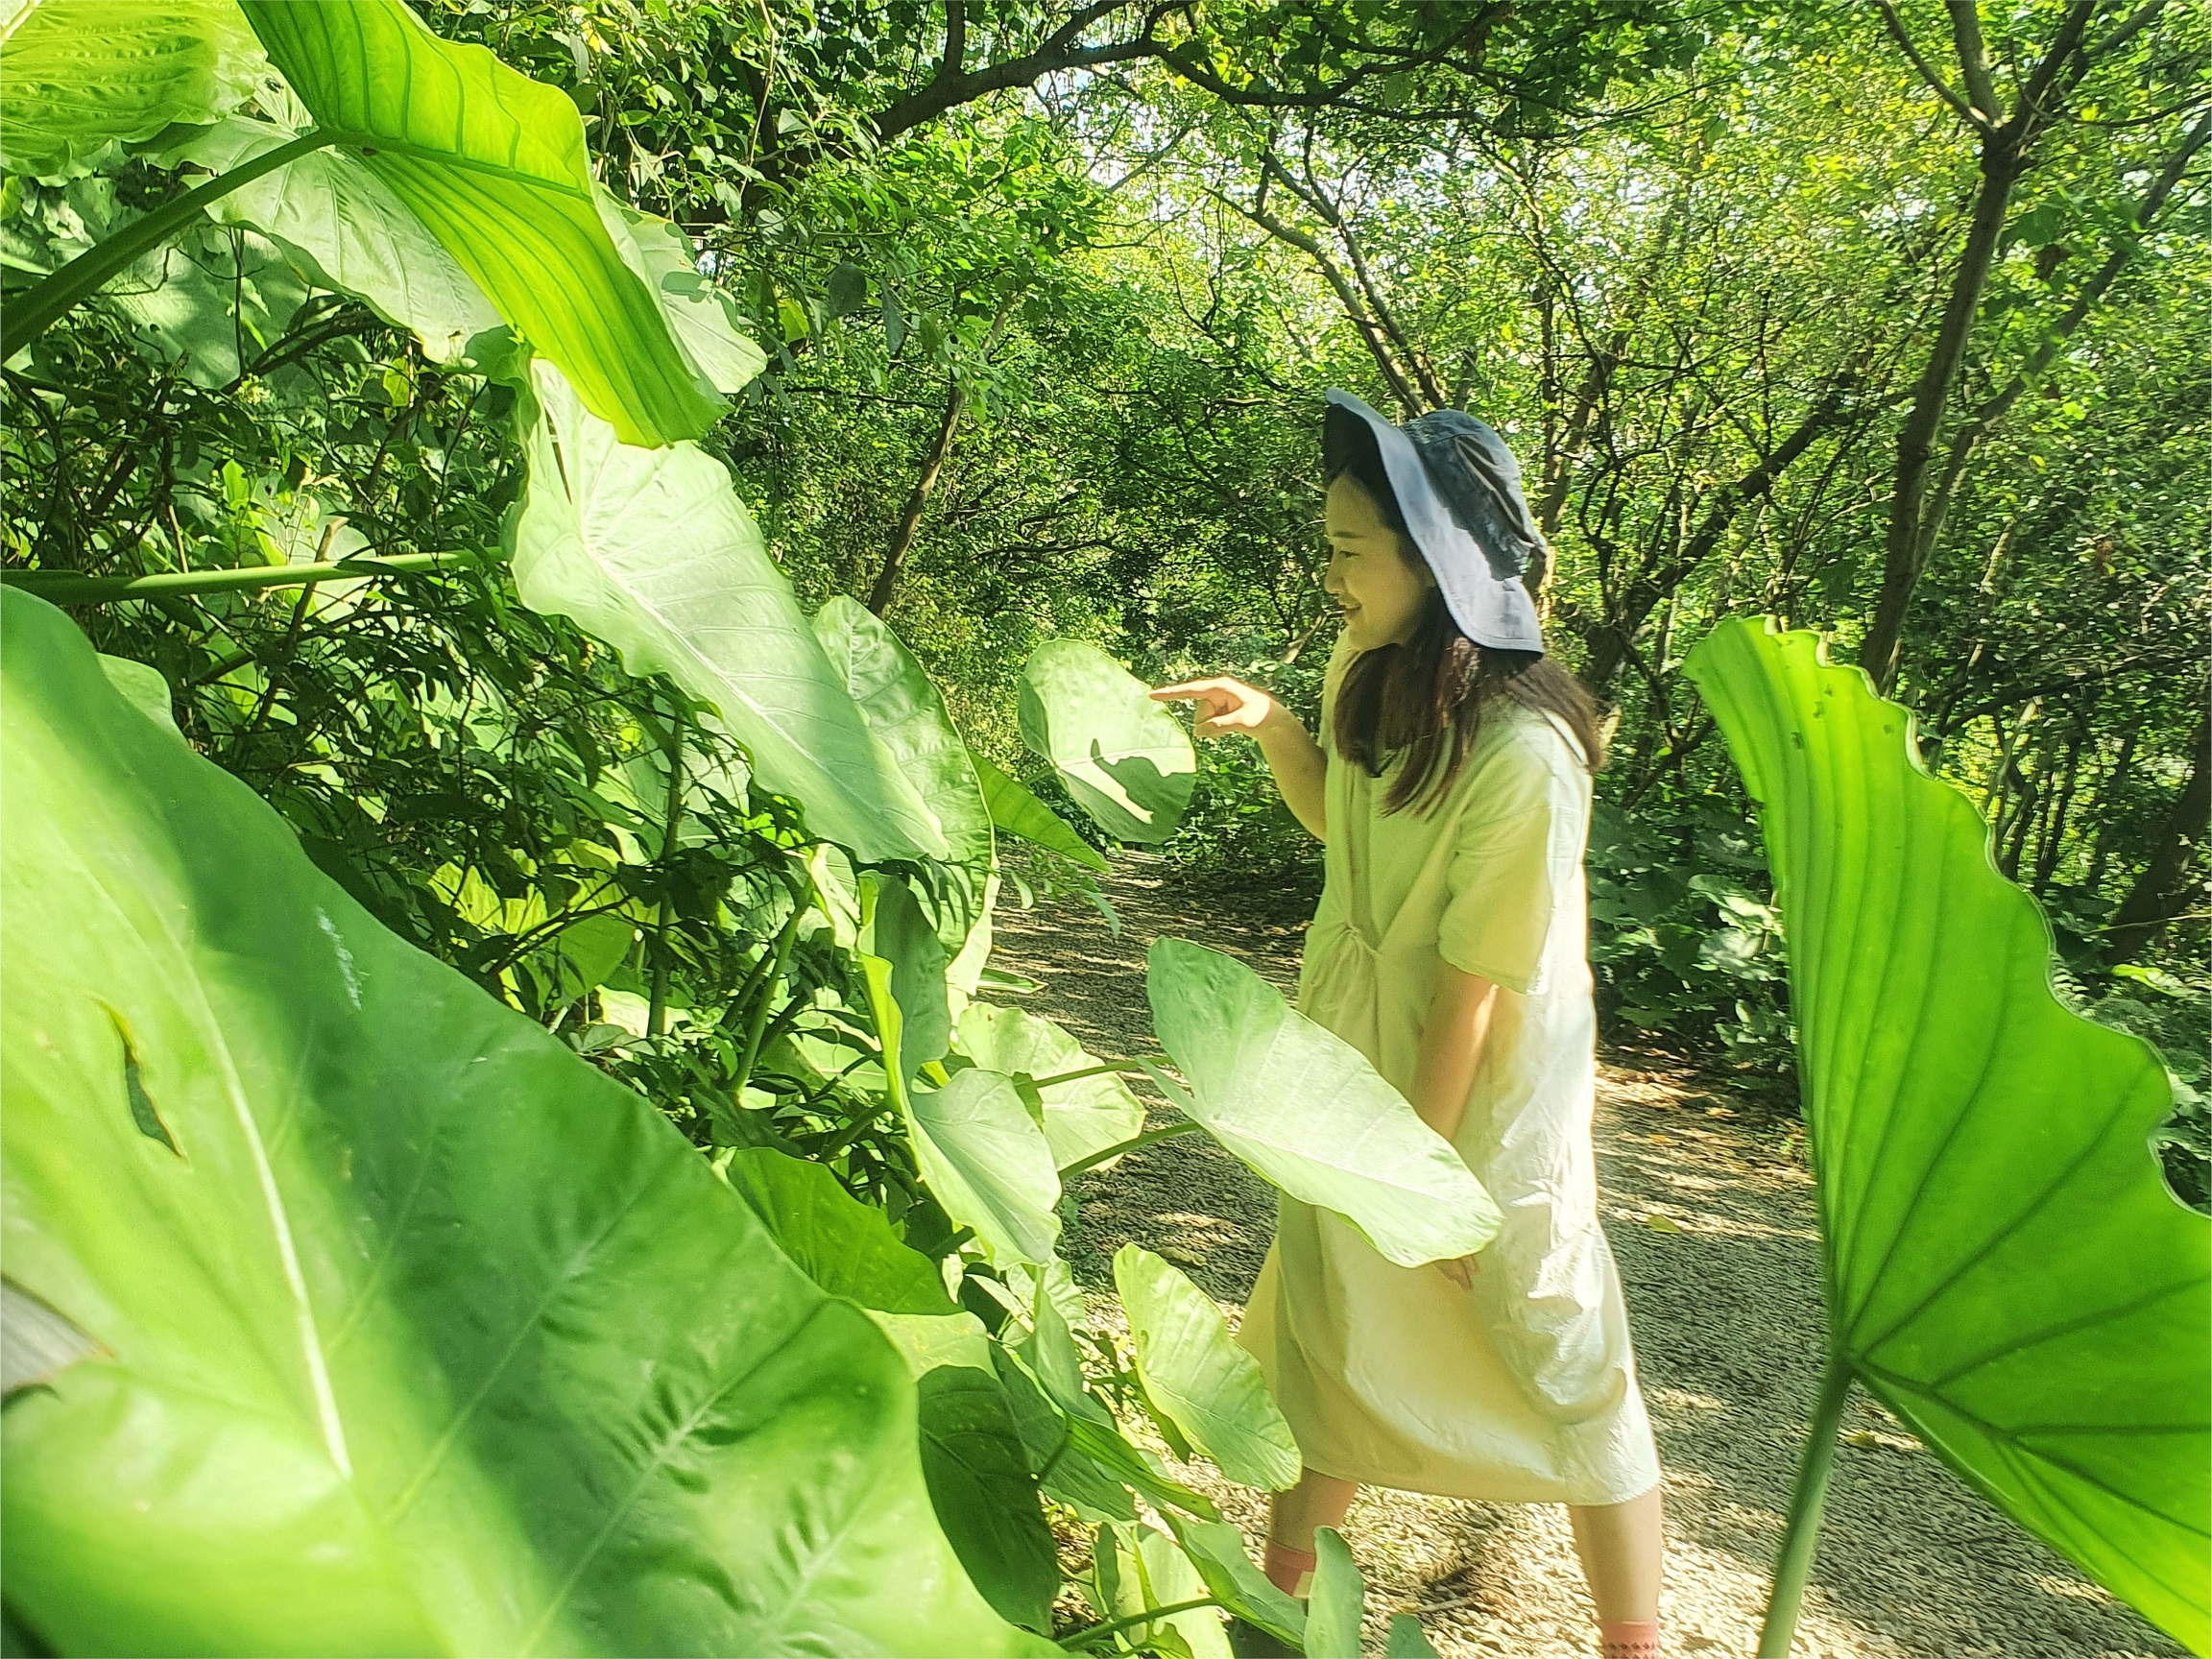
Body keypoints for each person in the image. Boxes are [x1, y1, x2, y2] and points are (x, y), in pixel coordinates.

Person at [1151, 391, 1665, 1659]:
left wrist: (1413, 1182)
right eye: (1326, 547)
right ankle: (1273, 1609)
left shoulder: (1529, 756)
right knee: (1331, 1328)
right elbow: (1345, 833)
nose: (1329, 575)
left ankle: (1634, 1639)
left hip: (1479, 1102)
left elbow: (1472, 991)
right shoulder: (1371, 672)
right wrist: (1275, 724)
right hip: (1352, 1059)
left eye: (1347, 552)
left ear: (1436, 568)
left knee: (1561, 1352)